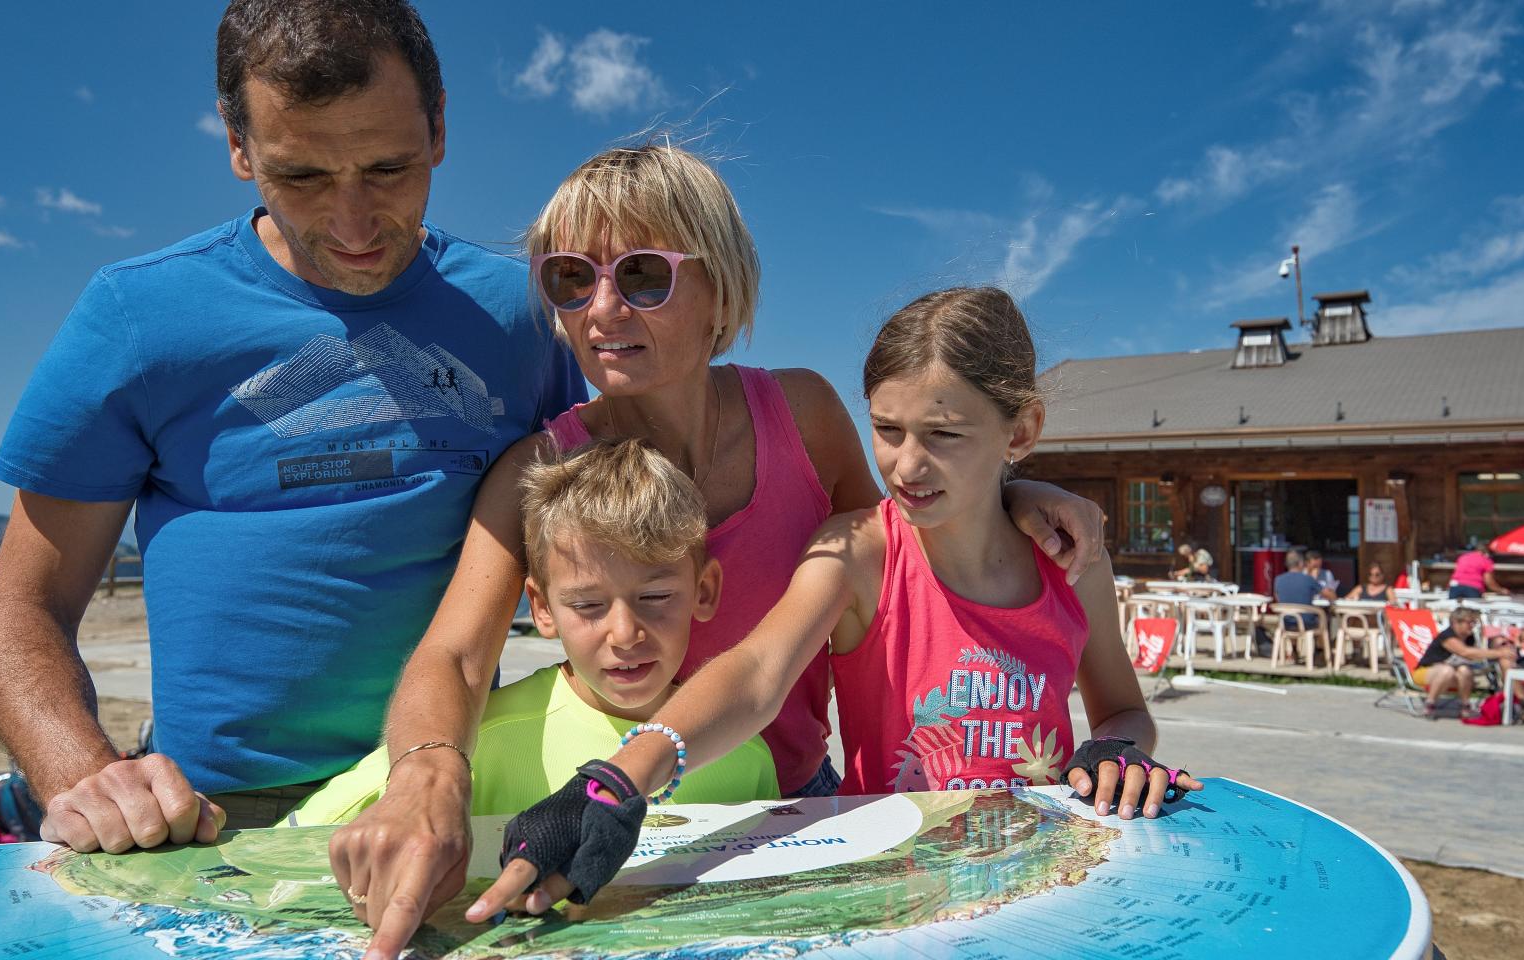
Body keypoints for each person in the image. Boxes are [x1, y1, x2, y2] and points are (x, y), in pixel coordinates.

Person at [329, 146, 1105, 953]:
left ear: (721, 287)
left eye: (641, 276)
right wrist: (423, 774)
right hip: (602, 798)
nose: (601, 308)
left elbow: (899, 545)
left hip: (794, 806)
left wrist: (1008, 493)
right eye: (570, 278)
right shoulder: (540, 470)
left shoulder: (802, 416)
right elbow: (455, 656)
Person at [0, 0, 587, 854]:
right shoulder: (139, 316)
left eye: (389, 168)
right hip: (224, 816)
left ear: (440, 128)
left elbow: (610, 526)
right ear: (237, 145)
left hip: (466, 778)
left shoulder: (522, 311)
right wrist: (83, 774)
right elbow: (23, 601)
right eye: (301, 177)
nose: (354, 221)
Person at [467, 287, 1200, 922]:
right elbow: (755, 674)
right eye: (886, 429)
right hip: (894, 891)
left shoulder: (1072, 562)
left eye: (944, 435)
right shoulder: (858, 554)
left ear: (1023, 432)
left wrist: (1118, 750)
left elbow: (1121, 713)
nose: (906, 464)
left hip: (1039, 885)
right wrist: (619, 779)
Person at [286, 439, 777, 824]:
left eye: (655, 598)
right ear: (542, 608)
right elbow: (300, 839)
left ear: (705, 590)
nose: (625, 634)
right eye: (588, 604)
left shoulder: (746, 752)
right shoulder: (480, 743)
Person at [1414, 608, 1516, 718]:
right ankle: (1430, 703)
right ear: (1456, 622)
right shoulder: (1447, 636)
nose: (1472, 625)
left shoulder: (1469, 638)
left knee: (1465, 670)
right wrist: (1499, 653)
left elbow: (1474, 656)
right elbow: (1465, 652)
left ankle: (1465, 706)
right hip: (1425, 672)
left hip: (1451, 675)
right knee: (1447, 670)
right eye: (1469, 622)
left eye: (1474, 622)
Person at [1272, 548, 1332, 629]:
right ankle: (1322, 641)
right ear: (1301, 563)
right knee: (1323, 617)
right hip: (1306, 623)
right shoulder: (1308, 579)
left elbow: (1278, 599)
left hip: (1286, 622)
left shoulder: (1278, 580)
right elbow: (1329, 595)